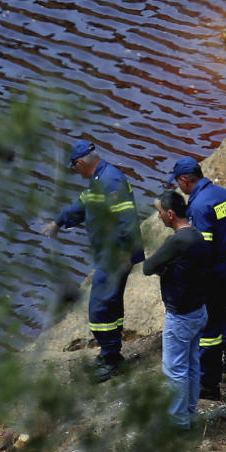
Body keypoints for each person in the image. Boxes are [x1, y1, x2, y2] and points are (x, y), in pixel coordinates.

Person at [42, 140, 145, 382]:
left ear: (80, 163)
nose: (75, 171)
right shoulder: (99, 179)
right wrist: (59, 222)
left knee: (99, 307)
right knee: (110, 304)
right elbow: (82, 205)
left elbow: (127, 220)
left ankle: (111, 360)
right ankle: (111, 352)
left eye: (74, 167)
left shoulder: (111, 181)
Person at [168, 156, 226, 400]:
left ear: (185, 181)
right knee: (219, 307)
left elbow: (201, 249)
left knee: (208, 322)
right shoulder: (223, 194)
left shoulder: (198, 206)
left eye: (178, 183)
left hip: (223, 270)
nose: (179, 188)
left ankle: (208, 384)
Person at [143, 190, 211, 430]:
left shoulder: (176, 241)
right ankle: (190, 414)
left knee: (175, 371)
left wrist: (164, 268)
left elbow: (148, 267)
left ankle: (178, 423)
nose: (159, 216)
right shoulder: (197, 236)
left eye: (160, 212)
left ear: (170, 214)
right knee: (192, 365)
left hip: (181, 316)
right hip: (198, 311)